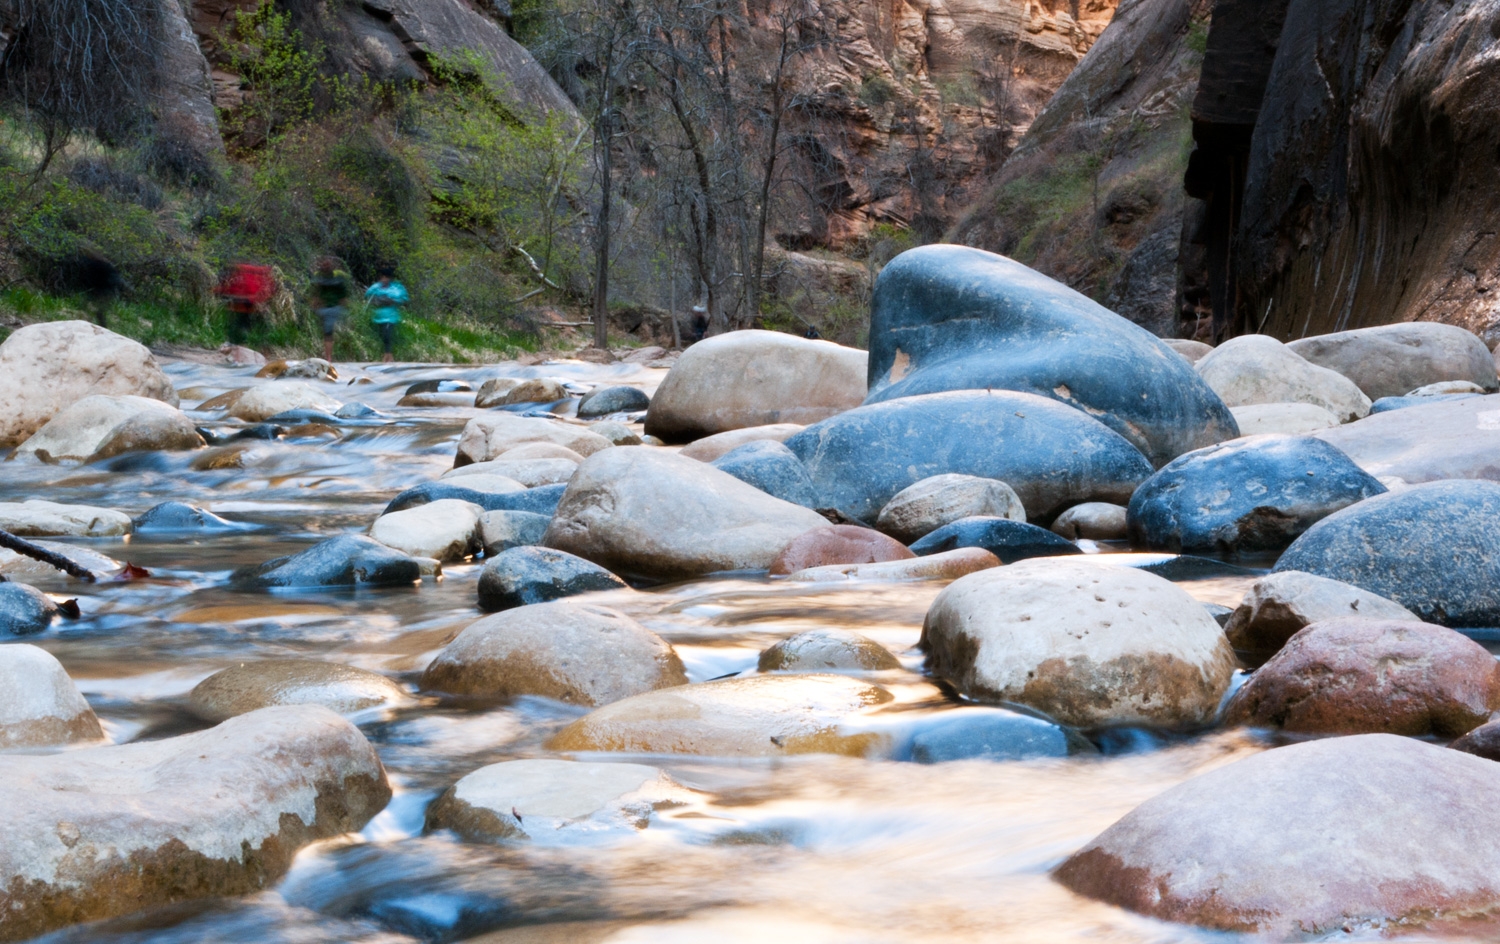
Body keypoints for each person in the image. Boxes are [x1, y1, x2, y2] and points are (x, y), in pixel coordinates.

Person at [215, 262, 276, 345]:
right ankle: (248, 342)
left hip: (241, 301)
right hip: (252, 302)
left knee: (237, 322)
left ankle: (236, 341)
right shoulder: (261, 272)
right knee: (246, 322)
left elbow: (226, 286)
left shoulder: (238, 270)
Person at [365, 265, 408, 363]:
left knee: (387, 335)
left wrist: (392, 300)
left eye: (386, 277)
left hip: (390, 316)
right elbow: (368, 296)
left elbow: (403, 299)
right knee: (382, 336)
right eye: (383, 277)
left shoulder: (396, 288)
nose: (384, 279)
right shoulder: (376, 287)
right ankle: (388, 356)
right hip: (378, 316)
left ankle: (387, 357)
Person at [310, 258, 351, 362]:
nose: (325, 268)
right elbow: (316, 292)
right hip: (325, 308)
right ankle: (328, 356)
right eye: (324, 266)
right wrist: (315, 304)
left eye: (327, 266)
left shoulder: (337, 278)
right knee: (327, 332)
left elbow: (343, 295)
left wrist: (345, 306)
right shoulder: (320, 278)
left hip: (334, 308)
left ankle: (329, 357)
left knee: (328, 333)